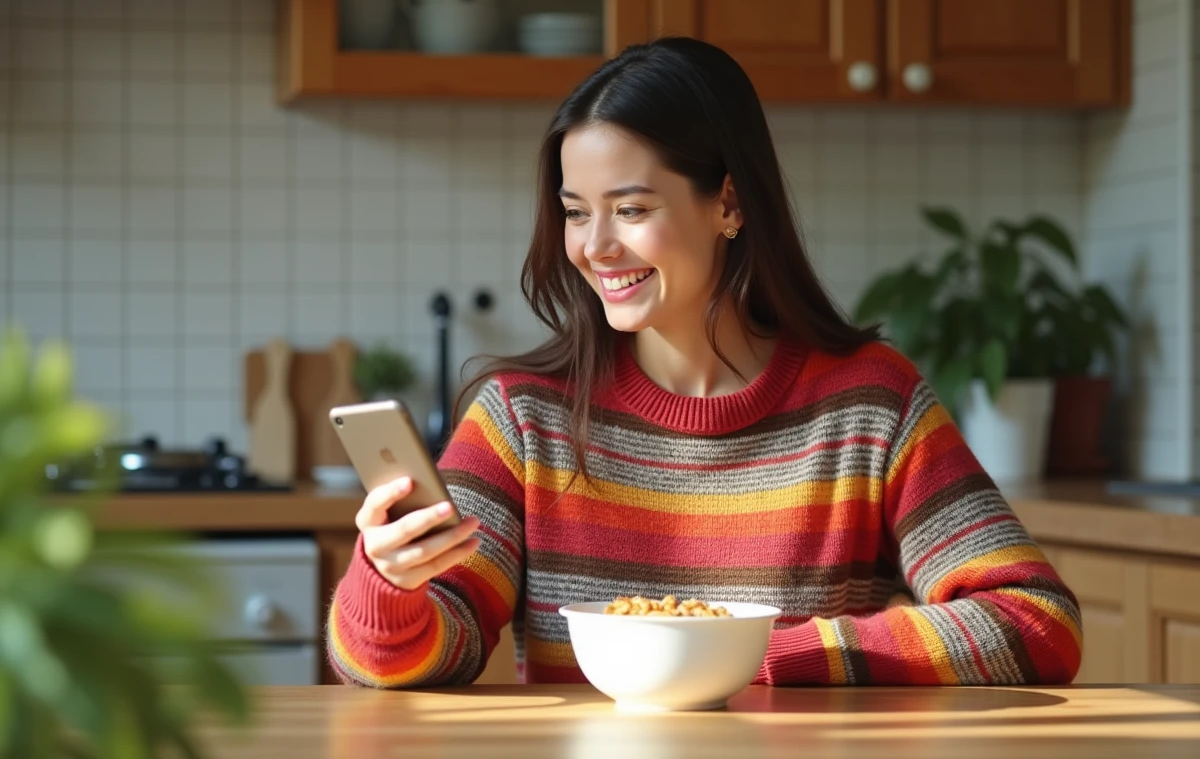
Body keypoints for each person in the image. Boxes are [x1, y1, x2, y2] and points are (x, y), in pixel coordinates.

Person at [326, 37, 1082, 688]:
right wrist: (389, 583)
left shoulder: (867, 404)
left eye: (630, 209)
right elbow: (414, 656)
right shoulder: (524, 417)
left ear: (727, 204)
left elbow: (1037, 621)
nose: (595, 247)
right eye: (575, 212)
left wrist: (772, 657)